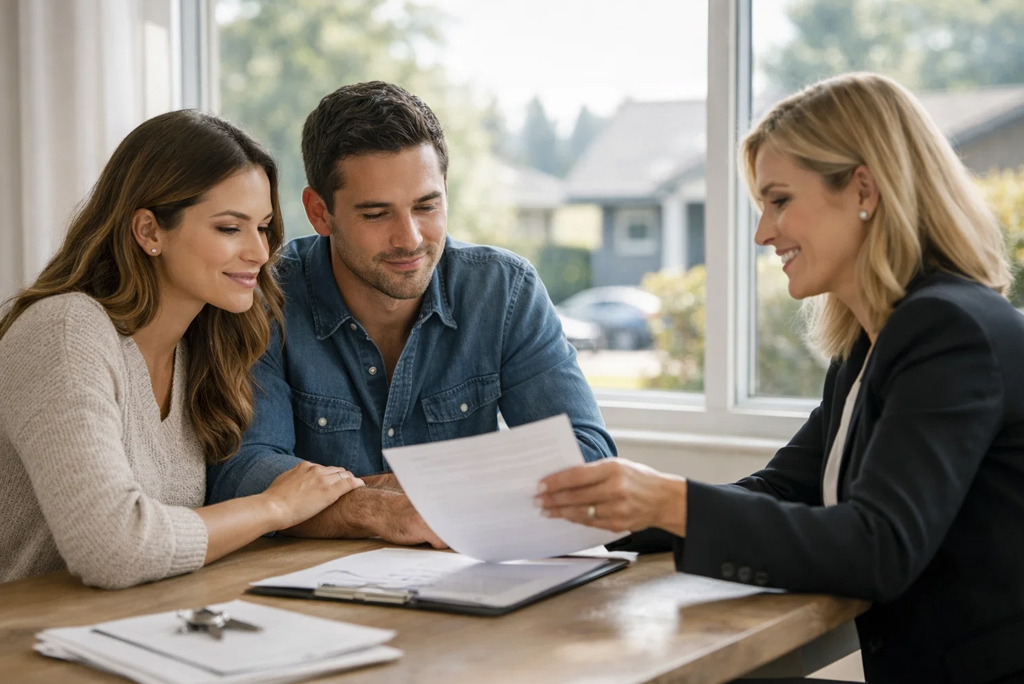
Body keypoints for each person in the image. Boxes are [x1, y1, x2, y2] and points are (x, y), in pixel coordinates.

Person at [536, 72, 1024, 683]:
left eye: (780, 200)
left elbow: (879, 546)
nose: (763, 232)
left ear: (863, 189)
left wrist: (670, 500)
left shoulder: (947, 330)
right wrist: (608, 515)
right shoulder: (871, 343)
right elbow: (784, 487)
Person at [206, 81, 615, 546]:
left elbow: (588, 460)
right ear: (320, 213)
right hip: (308, 589)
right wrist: (385, 510)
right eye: (377, 214)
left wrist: (399, 491)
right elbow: (244, 472)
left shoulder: (503, 291)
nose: (410, 239)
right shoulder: (264, 296)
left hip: (466, 576)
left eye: (427, 206)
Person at [0, 110, 365, 588]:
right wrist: (275, 505)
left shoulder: (202, 350)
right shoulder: (66, 330)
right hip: (30, 645)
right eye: (230, 228)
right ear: (150, 231)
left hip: (142, 628)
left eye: (263, 227)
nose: (258, 252)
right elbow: (114, 548)